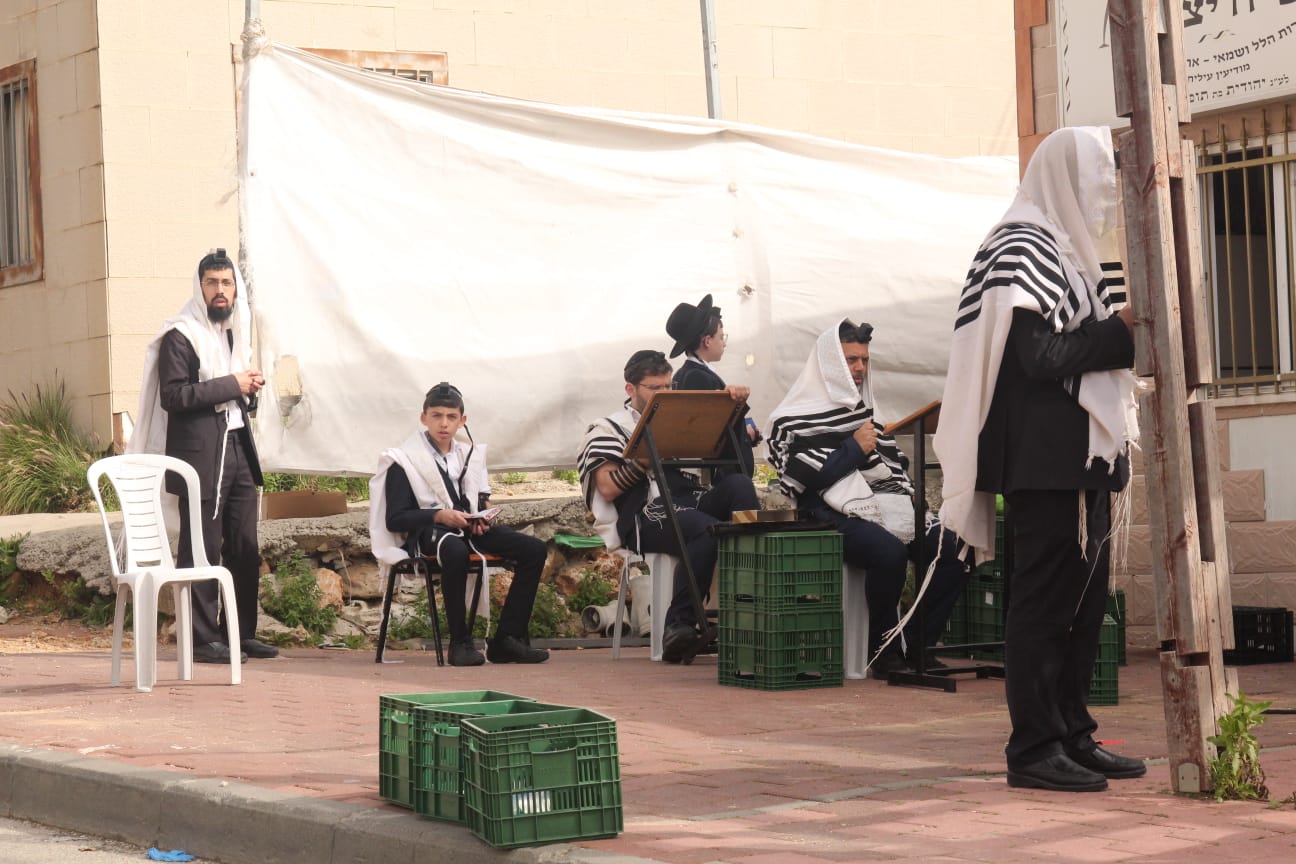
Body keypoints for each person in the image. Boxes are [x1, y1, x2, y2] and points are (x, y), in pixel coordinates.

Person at [933, 126, 1145, 792]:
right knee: (1044, 603)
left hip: (1079, 459)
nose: (1108, 197)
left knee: (1083, 605)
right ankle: (1032, 747)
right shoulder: (1021, 243)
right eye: (1099, 181)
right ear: (1066, 178)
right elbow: (1038, 358)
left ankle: (1072, 734)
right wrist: (1120, 334)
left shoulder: (1064, 248)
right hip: (1046, 460)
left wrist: (1113, 334)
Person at [765, 319, 971, 678]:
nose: (859, 369)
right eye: (850, 360)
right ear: (829, 365)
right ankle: (884, 651)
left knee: (953, 548)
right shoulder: (790, 419)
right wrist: (852, 449)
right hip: (824, 515)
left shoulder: (865, 415)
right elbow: (801, 486)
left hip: (883, 509)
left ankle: (917, 642)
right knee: (887, 551)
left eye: (863, 360)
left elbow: (893, 468)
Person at [128, 248, 276, 664]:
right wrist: (233, 383)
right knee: (203, 548)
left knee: (246, 546)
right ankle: (201, 638)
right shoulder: (181, 334)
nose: (219, 291)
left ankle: (239, 633)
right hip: (200, 458)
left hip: (237, 450)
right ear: (200, 287)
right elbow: (175, 396)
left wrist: (247, 386)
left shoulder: (232, 332)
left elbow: (230, 388)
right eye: (211, 283)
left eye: (226, 283)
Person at [578, 349, 759, 663]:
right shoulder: (609, 428)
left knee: (739, 486)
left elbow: (720, 450)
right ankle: (679, 623)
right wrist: (644, 460)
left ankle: (751, 606)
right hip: (645, 515)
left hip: (690, 500)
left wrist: (733, 406)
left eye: (668, 387)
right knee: (706, 529)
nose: (664, 394)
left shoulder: (681, 419)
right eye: (655, 388)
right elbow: (606, 489)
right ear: (630, 389)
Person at [370, 383, 548, 667]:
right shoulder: (402, 460)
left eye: (451, 417)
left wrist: (484, 518)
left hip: (467, 529)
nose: (443, 423)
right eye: (437, 415)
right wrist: (438, 516)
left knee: (534, 550)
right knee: (454, 551)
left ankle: (507, 640)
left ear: (462, 421)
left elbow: (481, 499)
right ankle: (460, 643)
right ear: (423, 417)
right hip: (428, 532)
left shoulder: (471, 455)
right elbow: (395, 519)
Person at [665, 293, 759, 477]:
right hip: (721, 475)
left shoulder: (690, 374)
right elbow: (710, 431)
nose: (724, 343)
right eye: (721, 337)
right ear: (708, 341)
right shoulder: (696, 377)